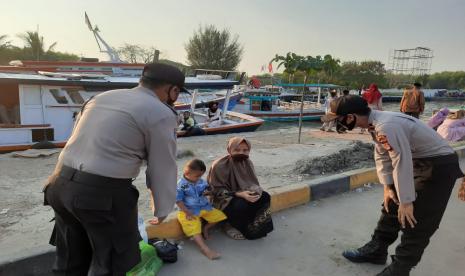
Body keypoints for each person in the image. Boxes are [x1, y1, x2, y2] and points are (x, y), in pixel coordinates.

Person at [43, 63, 184, 275]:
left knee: (70, 259)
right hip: (101, 196)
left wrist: (55, 178)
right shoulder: (161, 113)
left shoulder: (101, 97)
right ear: (173, 90)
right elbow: (162, 167)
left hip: (59, 186)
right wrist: (162, 209)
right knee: (108, 263)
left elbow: (74, 140)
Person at [321, 95, 463, 276]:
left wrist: (406, 201)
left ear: (350, 117)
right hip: (417, 160)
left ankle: (399, 270)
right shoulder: (374, 123)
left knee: (417, 219)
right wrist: (389, 187)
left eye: (337, 120)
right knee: (391, 204)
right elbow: (382, 154)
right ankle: (377, 250)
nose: (336, 125)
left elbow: (400, 161)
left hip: (438, 166)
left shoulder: (386, 125)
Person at [207, 137, 273, 240]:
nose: (241, 153)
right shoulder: (219, 165)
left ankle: (255, 224)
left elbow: (253, 183)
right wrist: (238, 194)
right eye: (237, 150)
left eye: (245, 150)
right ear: (230, 150)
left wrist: (254, 191)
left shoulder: (247, 163)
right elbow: (215, 191)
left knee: (264, 196)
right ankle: (229, 225)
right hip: (224, 199)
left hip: (243, 193)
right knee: (240, 204)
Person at [176, 159, 226, 260]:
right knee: (194, 228)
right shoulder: (181, 185)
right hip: (188, 210)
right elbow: (178, 200)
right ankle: (205, 249)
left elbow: (208, 188)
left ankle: (206, 228)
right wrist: (186, 211)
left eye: (201, 176)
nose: (199, 178)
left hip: (203, 206)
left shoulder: (200, 181)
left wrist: (209, 191)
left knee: (219, 216)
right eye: (197, 176)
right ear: (187, 173)